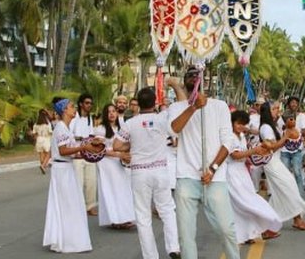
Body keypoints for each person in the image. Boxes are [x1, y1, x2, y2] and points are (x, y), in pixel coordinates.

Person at [167, 66, 239, 259]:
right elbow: (174, 130)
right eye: (190, 75)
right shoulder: (176, 108)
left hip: (214, 178)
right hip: (186, 178)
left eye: (197, 75)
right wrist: (193, 107)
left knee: (226, 229)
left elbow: (228, 141)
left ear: (205, 80)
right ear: (185, 81)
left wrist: (213, 168)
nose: (194, 78)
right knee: (186, 235)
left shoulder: (220, 106)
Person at [114, 88, 180, 259]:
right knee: (167, 210)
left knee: (143, 217)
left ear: (137, 104)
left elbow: (116, 145)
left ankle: (151, 256)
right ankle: (173, 247)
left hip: (140, 173)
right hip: (160, 170)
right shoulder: (162, 119)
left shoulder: (130, 123)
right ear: (155, 101)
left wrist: (133, 145)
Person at [43, 98, 101, 253]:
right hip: (61, 170)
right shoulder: (61, 128)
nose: (73, 108)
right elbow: (62, 151)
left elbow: (70, 151)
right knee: (67, 204)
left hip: (66, 168)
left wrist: (87, 152)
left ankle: (68, 238)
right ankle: (66, 240)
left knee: (71, 204)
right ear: (64, 110)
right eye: (70, 107)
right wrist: (83, 147)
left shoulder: (66, 129)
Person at [227, 110, 282, 244]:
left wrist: (257, 157)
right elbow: (235, 155)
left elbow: (245, 156)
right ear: (232, 123)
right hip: (232, 173)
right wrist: (253, 151)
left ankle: (250, 233)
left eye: (243, 124)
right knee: (241, 203)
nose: (240, 126)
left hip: (243, 173)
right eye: (238, 123)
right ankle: (242, 234)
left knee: (247, 200)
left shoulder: (241, 136)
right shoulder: (229, 137)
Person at [259, 101, 305, 231]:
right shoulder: (266, 128)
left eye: (277, 108)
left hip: (275, 161)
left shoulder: (272, 125)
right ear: (267, 112)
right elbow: (271, 147)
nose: (277, 110)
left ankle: (272, 222)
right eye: (274, 109)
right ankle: (296, 220)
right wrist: (286, 137)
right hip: (271, 162)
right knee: (288, 188)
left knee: (285, 190)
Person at [93, 103, 135, 230]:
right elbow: (100, 150)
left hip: (119, 162)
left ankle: (124, 217)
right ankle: (115, 219)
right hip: (107, 163)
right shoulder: (100, 129)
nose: (111, 114)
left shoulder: (122, 128)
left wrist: (125, 155)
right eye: (108, 112)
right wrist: (118, 154)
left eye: (113, 111)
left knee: (123, 190)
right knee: (110, 190)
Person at [70, 93, 98, 216]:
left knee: (91, 181)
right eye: (87, 103)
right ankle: (77, 207)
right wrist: (80, 140)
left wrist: (93, 141)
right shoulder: (74, 117)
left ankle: (90, 206)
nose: (89, 105)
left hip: (88, 153)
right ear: (81, 104)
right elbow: (69, 134)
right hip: (77, 153)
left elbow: (91, 135)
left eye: (90, 103)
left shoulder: (89, 118)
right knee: (78, 182)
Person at [276, 96, 305, 194]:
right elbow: (279, 129)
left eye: (296, 102)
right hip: (284, 150)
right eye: (292, 102)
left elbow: (304, 131)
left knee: (297, 172)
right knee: (285, 173)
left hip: (297, 149)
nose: (294, 104)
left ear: (298, 104)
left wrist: (299, 136)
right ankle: (288, 195)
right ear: (288, 104)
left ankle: (300, 196)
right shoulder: (283, 116)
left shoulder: (302, 116)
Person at [32, 109, 53, 174]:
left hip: (39, 139)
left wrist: (35, 140)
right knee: (48, 154)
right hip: (46, 139)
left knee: (41, 154)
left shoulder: (36, 124)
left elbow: (34, 133)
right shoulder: (47, 123)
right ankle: (43, 165)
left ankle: (42, 165)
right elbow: (50, 132)